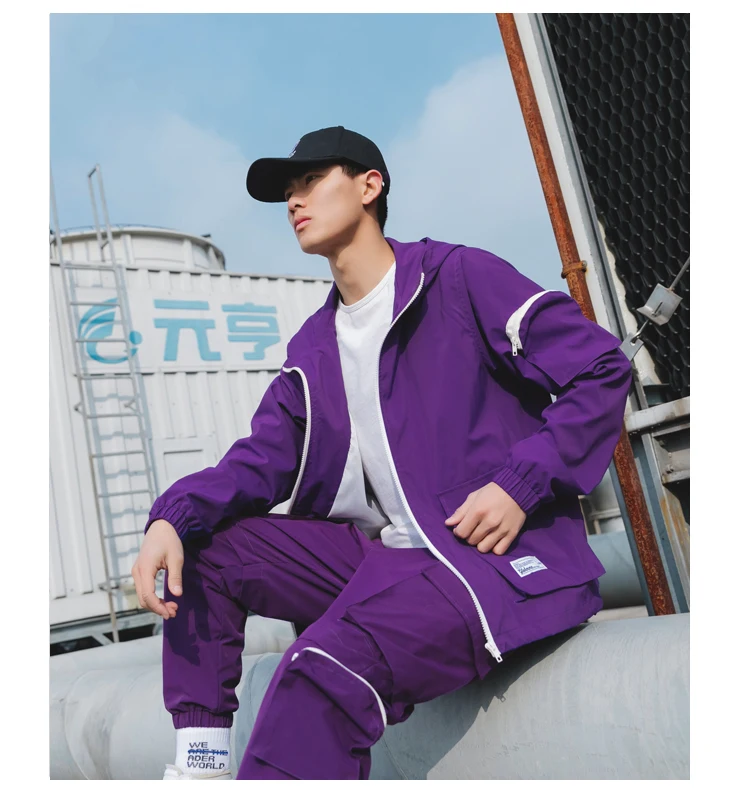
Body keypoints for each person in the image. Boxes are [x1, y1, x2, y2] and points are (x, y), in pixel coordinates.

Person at [132, 125, 634, 780]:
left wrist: (521, 483)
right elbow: (257, 461)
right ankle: (200, 770)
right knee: (202, 548)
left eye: (311, 180)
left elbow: (601, 368)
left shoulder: (458, 279)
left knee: (320, 671)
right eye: (287, 191)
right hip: (387, 563)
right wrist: (171, 517)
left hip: (486, 561)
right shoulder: (315, 346)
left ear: (370, 185)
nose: (294, 200)